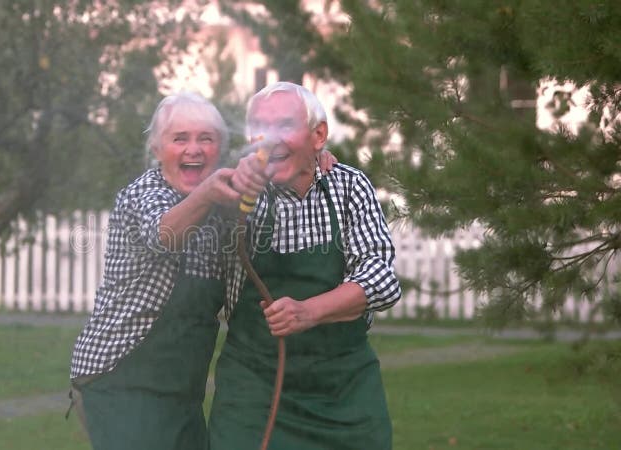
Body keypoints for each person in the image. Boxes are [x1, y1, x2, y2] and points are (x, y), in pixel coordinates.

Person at [209, 82, 402, 450]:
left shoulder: (349, 186)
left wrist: (309, 312)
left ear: (319, 135)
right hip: (253, 390)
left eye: (284, 126)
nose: (269, 139)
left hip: (341, 388)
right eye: (259, 128)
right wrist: (235, 189)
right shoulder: (235, 190)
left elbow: (381, 278)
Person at [68, 92, 240, 450]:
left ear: (219, 150)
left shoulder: (222, 206)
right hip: (119, 383)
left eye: (206, 139)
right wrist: (208, 193)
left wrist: (314, 162)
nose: (194, 149)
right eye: (180, 139)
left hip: (181, 392)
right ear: (158, 149)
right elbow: (164, 235)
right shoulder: (143, 194)